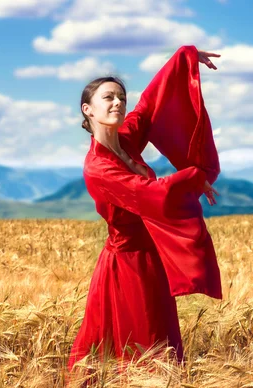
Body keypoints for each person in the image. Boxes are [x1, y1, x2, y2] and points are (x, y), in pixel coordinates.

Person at [67, 45, 222, 372]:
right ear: (88, 109)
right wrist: (194, 177)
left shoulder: (125, 140)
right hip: (128, 269)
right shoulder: (98, 167)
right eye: (108, 97)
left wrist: (184, 59)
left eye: (121, 97)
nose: (118, 102)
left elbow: (150, 105)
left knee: (160, 350)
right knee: (140, 351)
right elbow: (151, 193)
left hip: (151, 262)